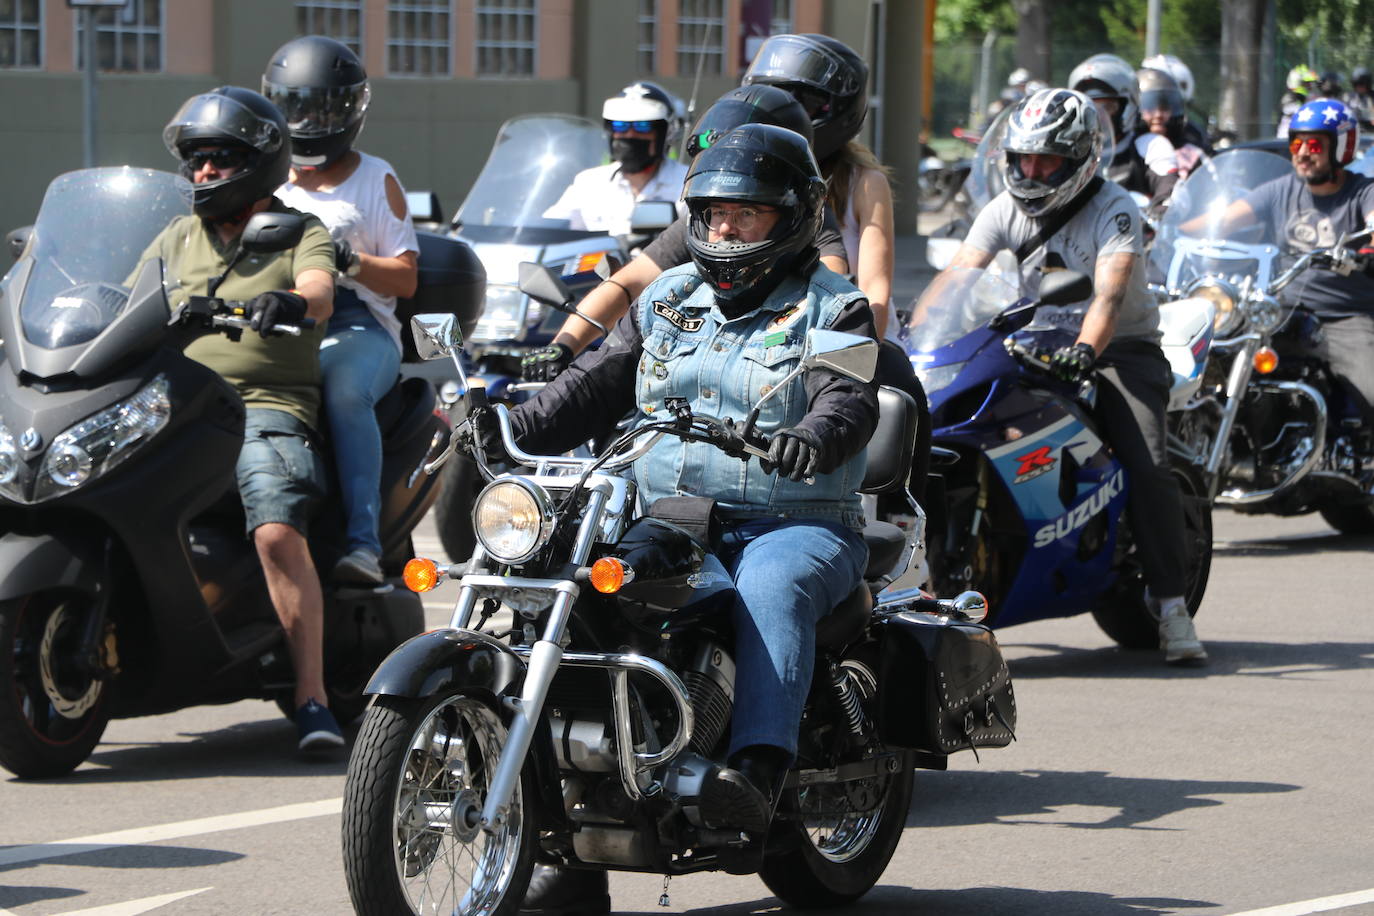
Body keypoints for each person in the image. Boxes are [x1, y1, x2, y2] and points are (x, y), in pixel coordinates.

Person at [504, 124, 878, 915]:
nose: (724, 230)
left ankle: (757, 773)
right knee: (590, 597)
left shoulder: (834, 306)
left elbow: (848, 402)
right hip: (674, 516)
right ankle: (570, 839)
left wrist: (810, 437)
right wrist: (507, 423)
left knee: (771, 589)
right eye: (711, 214)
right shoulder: (669, 299)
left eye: (747, 215)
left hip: (796, 521)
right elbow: (595, 385)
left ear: (797, 217)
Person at [928, 88, 1206, 665]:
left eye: (1047, 161)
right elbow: (958, 273)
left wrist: (1085, 350)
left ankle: (1174, 606)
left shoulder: (1115, 208)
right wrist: (914, 329)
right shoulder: (1004, 207)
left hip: (1116, 351)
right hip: (1026, 341)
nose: (1031, 172)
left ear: (1081, 159)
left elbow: (1108, 295)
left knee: (1147, 461)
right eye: (1024, 159)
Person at [142, 87, 342, 748]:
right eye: (196, 160)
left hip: (262, 408)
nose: (202, 173)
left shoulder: (298, 230)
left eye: (219, 159)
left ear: (257, 162)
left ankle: (311, 696)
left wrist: (288, 302)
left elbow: (319, 290)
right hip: (167, 405)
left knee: (277, 531)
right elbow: (122, 296)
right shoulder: (176, 235)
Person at [521, 82, 842, 381]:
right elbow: (628, 283)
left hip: (772, 372)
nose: (726, 227)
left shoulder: (814, 227)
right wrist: (565, 345)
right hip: (687, 362)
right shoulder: (704, 221)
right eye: (719, 211)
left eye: (749, 214)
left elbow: (831, 299)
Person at [262, 35, 420, 585]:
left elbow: (405, 277)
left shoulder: (376, 177)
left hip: (358, 323)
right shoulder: (265, 174)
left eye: (322, 107)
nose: (307, 119)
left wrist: (349, 260)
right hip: (275, 314)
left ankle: (362, 542)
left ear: (350, 109)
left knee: (344, 393)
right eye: (295, 105)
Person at [1182, 99, 1374, 470]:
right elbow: (1219, 221)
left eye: (1315, 145)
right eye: (1297, 144)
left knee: (1370, 390)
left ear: (1341, 147)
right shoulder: (1281, 189)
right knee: (1221, 350)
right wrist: (1168, 228)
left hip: (1344, 314)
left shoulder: (1362, 192)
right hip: (1281, 307)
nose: (1303, 153)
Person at [541, 81, 689, 236]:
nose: (630, 134)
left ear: (664, 133)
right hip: (598, 260)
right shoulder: (589, 183)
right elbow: (550, 228)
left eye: (643, 126)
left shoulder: (686, 184)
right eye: (620, 125)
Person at [1133, 67, 1209, 213]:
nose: (1158, 115)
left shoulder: (1191, 153)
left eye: (1165, 108)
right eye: (1149, 107)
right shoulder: (1126, 153)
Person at [1069, 53, 1140, 182]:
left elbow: (1167, 185)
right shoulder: (1069, 152)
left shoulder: (1146, 146)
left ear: (1128, 106)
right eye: (1089, 108)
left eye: (1107, 107)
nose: (1099, 116)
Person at [1278, 65, 1320, 138]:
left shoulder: (1305, 99)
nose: (1309, 86)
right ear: (1297, 83)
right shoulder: (1289, 99)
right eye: (1306, 83)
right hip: (1286, 140)